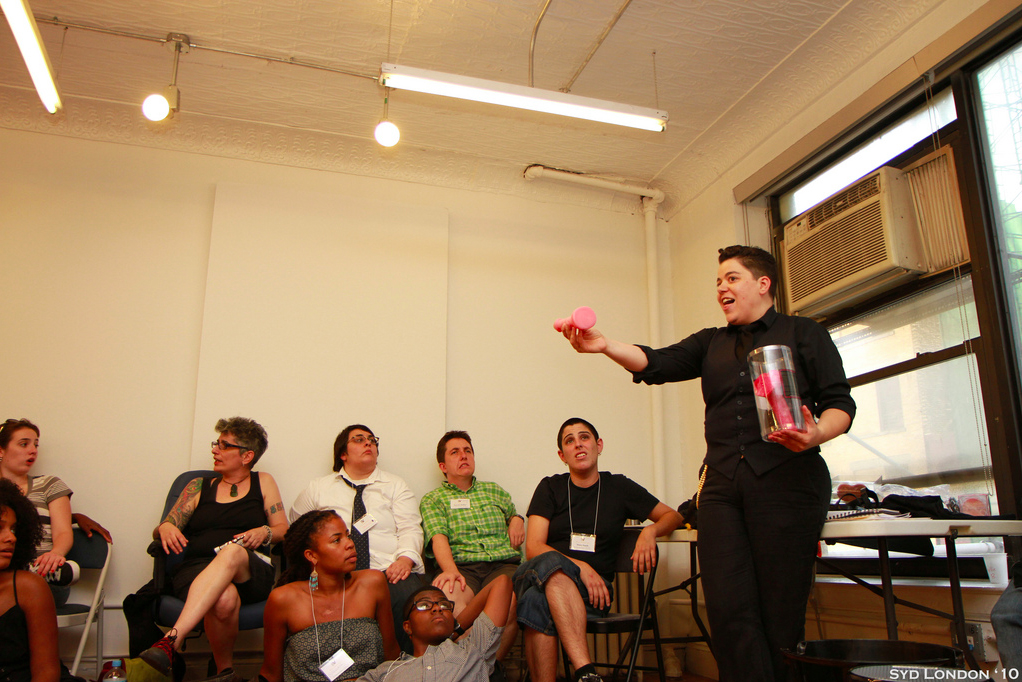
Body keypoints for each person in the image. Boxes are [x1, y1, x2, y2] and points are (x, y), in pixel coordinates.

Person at [560, 245, 856, 682]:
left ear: (763, 283)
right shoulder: (711, 342)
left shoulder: (804, 333)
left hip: (788, 481)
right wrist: (605, 346)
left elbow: (840, 405)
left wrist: (815, 434)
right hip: (720, 486)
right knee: (727, 607)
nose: (721, 288)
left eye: (731, 278)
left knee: (780, 610)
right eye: (718, 281)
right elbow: (656, 361)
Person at [515, 418, 682, 682]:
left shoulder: (619, 487)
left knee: (535, 601)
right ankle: (587, 672)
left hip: (593, 593)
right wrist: (581, 567)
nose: (578, 444)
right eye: (569, 440)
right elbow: (534, 547)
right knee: (551, 567)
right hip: (543, 575)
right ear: (562, 455)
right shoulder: (550, 487)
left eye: (584, 437)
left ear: (599, 445)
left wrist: (649, 531)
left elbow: (673, 516)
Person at [141, 417, 289, 679]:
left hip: (249, 571)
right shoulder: (198, 486)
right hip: (196, 570)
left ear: (247, 456)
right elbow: (164, 527)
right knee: (224, 598)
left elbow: (283, 530)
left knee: (231, 551)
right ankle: (224, 673)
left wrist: (264, 531)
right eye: (216, 443)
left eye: (224, 445)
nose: (215, 450)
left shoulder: (263, 481)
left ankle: (171, 640)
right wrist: (164, 527)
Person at [290, 424, 424, 653]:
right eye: (359, 439)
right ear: (343, 453)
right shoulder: (319, 488)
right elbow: (297, 529)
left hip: (388, 570)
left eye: (372, 439)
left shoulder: (395, 485)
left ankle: (404, 664)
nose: (368, 443)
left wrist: (405, 559)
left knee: (411, 599)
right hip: (335, 574)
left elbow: (411, 527)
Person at [419, 431, 522, 666]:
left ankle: (485, 671)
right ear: (443, 466)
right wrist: (450, 570)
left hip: (502, 566)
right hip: (462, 567)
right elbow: (438, 537)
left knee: (510, 601)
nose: (463, 456)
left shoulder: (494, 491)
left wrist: (517, 519)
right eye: (455, 452)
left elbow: (513, 515)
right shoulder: (434, 499)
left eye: (467, 451)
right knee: (449, 598)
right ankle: (476, 670)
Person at [260, 510, 399, 682]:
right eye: (336, 540)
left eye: (348, 536)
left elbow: (391, 656)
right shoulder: (283, 599)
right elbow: (271, 673)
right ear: (312, 555)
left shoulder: (372, 583)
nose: (350, 544)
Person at [0, 418, 112, 607]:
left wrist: (55, 554)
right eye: (24, 444)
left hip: (43, 574)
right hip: (5, 572)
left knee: (24, 585)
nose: (33, 450)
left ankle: (29, 572)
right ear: (1, 450)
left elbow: (63, 532)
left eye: (36, 445)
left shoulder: (49, 485)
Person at [358, 574, 513, 682]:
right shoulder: (386, 672)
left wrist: (455, 629)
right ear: (408, 627)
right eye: (424, 605)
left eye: (444, 605)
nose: (437, 608)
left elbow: (501, 583)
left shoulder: (473, 650)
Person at [0, 477, 59, 682]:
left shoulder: (29, 587)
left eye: (14, 529)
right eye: (0, 527)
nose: (11, 538)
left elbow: (47, 674)